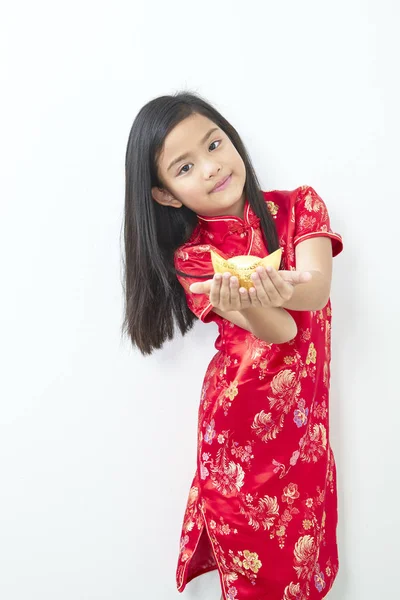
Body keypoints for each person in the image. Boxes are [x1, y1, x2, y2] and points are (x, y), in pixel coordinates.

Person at [122, 90, 343, 600]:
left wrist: (266, 281)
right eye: (184, 167)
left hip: (301, 433)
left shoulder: (298, 206)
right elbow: (280, 331)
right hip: (237, 434)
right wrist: (244, 301)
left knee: (302, 566)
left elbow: (315, 289)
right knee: (253, 579)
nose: (211, 167)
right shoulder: (196, 258)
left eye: (215, 144)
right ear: (165, 196)